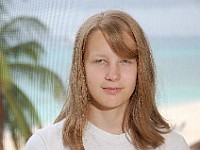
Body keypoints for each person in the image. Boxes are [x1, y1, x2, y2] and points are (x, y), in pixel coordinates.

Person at [25, 10, 189, 150]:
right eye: (100, 61)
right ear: (81, 68)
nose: (113, 75)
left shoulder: (172, 145)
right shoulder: (46, 144)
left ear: (141, 69)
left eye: (125, 61)